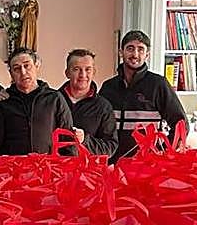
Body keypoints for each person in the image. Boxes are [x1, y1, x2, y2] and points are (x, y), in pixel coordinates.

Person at [98, 30, 187, 161]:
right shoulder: (108, 87)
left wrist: (164, 153)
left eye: (140, 49)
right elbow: (99, 125)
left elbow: (181, 124)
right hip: (113, 163)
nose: (135, 54)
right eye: (130, 48)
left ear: (147, 55)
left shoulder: (158, 84)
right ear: (121, 52)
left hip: (147, 164)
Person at [0, 47, 75, 155]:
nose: (23, 72)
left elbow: (68, 141)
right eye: (16, 68)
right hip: (14, 169)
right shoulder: (4, 103)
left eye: (27, 66)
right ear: (11, 73)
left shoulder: (55, 99)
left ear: (36, 66)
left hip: (49, 168)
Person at [59, 48, 118, 156]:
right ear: (67, 73)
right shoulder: (53, 101)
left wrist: (85, 140)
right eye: (76, 69)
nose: (83, 75)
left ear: (94, 72)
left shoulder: (103, 106)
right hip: (54, 169)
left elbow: (110, 147)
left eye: (88, 69)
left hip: (88, 171)